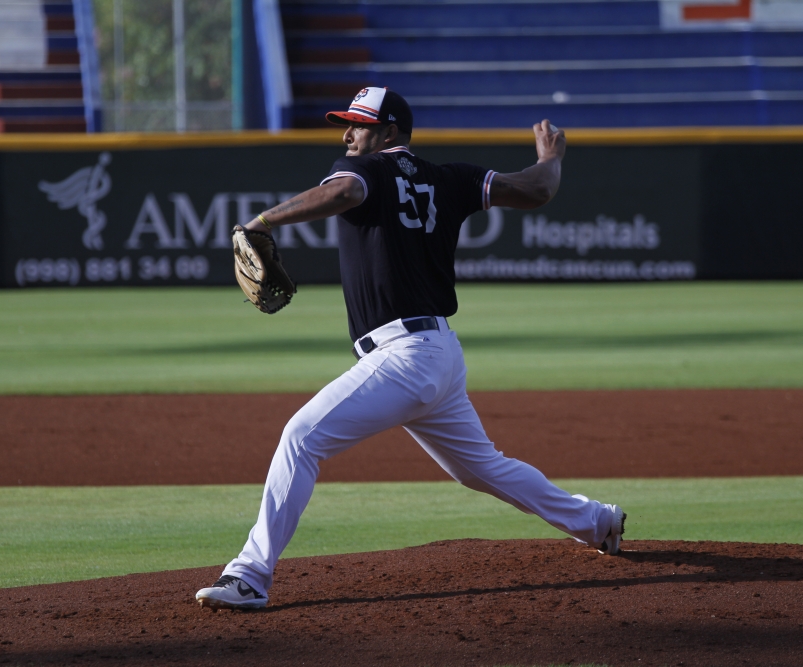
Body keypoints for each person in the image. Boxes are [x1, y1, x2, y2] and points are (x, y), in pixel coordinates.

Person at [195, 87, 625, 610]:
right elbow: (537, 191)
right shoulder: (452, 178)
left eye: (358, 124)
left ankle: (249, 576)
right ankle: (596, 520)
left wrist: (262, 222)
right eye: (345, 125)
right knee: (480, 468)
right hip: (440, 352)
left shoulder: (366, 170)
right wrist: (550, 157)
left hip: (403, 356)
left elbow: (345, 194)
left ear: (390, 132)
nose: (349, 134)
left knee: (301, 438)